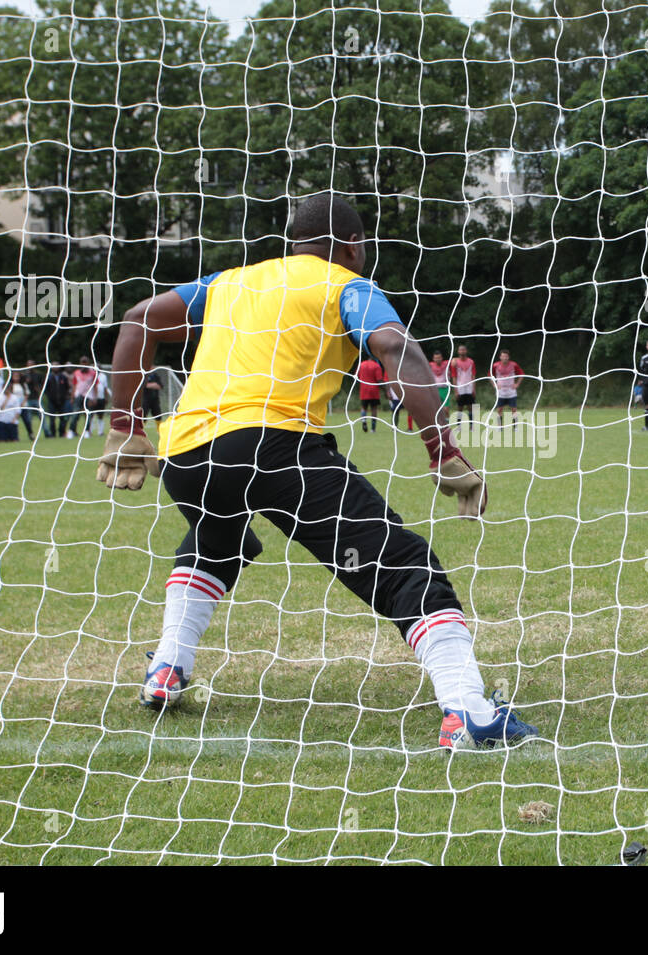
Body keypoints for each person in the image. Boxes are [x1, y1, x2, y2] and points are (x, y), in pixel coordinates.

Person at [95, 192, 536, 750]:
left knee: (216, 538)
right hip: (275, 448)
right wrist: (442, 448)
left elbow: (138, 320)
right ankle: (469, 712)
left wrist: (125, 422)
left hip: (186, 456)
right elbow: (397, 347)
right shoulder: (346, 286)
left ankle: (166, 667)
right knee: (404, 565)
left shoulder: (229, 282)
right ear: (354, 244)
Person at [491, 349, 524, 432]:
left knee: (514, 410)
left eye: (506, 356)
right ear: (500, 357)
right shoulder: (495, 365)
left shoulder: (514, 365)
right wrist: (494, 385)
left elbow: (522, 374)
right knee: (499, 410)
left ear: (508, 357)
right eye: (503, 356)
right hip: (501, 392)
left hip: (511, 391)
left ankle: (515, 427)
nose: (504, 358)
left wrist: (517, 384)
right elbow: (490, 376)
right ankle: (499, 427)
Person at [356, 355, 386, 432]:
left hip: (364, 390)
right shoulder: (376, 366)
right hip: (374, 391)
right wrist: (386, 390)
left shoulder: (361, 364)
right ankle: (373, 428)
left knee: (364, 407)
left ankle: (363, 421)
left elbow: (357, 376)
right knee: (374, 409)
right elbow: (379, 380)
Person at [447, 345, 476, 426]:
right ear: (458, 351)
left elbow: (473, 376)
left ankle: (471, 424)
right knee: (460, 407)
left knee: (471, 406)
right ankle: (459, 424)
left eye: (463, 350)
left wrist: (474, 388)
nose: (462, 351)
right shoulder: (455, 363)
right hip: (460, 387)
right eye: (461, 350)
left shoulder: (471, 362)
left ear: (466, 351)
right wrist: (456, 390)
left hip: (469, 387)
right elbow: (454, 376)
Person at [42, 364, 72, 436]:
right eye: (54, 366)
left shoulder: (63, 377)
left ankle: (61, 433)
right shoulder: (48, 377)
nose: (56, 367)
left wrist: (64, 396)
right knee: (52, 419)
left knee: (63, 418)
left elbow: (67, 387)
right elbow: (45, 389)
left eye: (57, 366)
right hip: (52, 402)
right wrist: (50, 396)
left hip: (62, 401)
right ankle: (53, 434)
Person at [70, 358, 97, 438]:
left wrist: (94, 398)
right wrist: (72, 397)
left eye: (86, 362)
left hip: (89, 396)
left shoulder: (93, 373)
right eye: (82, 362)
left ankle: (87, 431)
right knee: (75, 414)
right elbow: (74, 385)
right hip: (78, 396)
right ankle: (72, 431)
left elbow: (95, 386)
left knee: (88, 415)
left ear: (89, 363)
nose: (84, 364)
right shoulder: (76, 373)